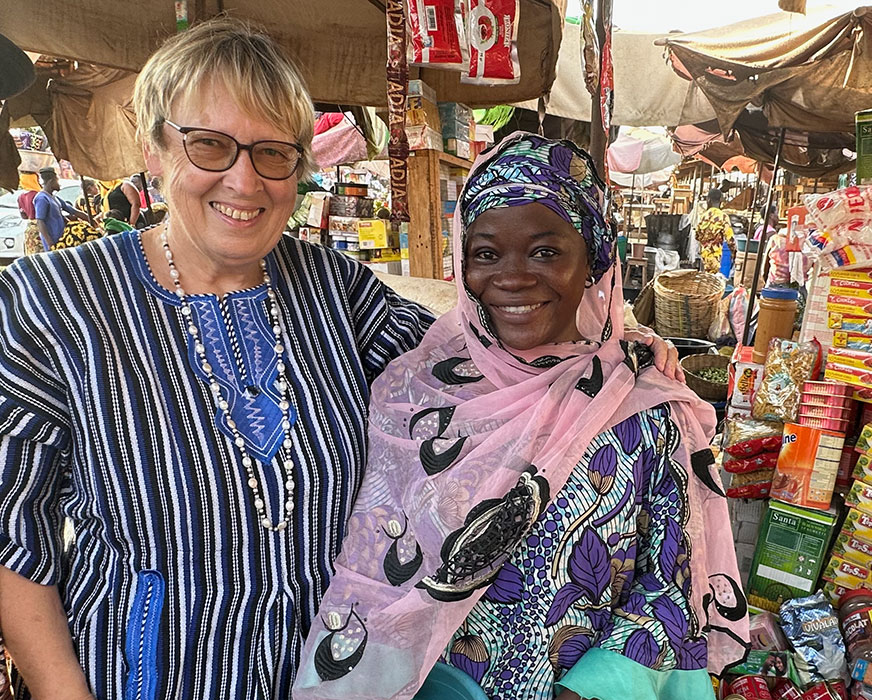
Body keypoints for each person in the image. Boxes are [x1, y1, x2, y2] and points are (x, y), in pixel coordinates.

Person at [0, 20, 680, 700]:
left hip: (317, 680)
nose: (244, 180)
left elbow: (482, 357)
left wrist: (626, 352)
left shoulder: (335, 290)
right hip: (139, 677)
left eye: (273, 153)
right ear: (153, 149)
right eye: (209, 145)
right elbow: (13, 544)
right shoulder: (50, 305)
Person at [293, 133, 749, 700]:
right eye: (486, 253)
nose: (512, 277)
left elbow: (669, 585)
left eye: (545, 251)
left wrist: (586, 691)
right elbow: (371, 566)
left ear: (595, 262)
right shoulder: (417, 396)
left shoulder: (646, 412)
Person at [32, 167, 91, 249]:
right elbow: (40, 221)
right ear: (51, 181)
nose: (59, 184)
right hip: (53, 241)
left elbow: (75, 212)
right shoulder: (42, 198)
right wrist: (50, 243)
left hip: (62, 238)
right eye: (57, 181)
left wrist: (92, 221)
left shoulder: (55, 198)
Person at [694, 188, 734, 276]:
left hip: (704, 256)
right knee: (714, 282)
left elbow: (697, 236)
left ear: (708, 200)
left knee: (704, 280)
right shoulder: (723, 217)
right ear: (721, 200)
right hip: (717, 256)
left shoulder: (703, 216)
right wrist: (734, 253)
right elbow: (730, 239)